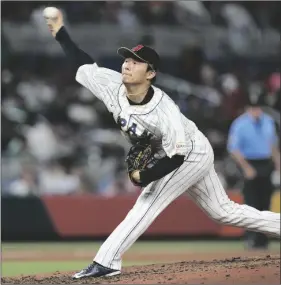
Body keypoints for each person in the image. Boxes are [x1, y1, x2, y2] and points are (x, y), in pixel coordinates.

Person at [44, 8, 280, 279]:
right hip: (181, 150)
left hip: (189, 153)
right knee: (224, 212)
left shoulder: (163, 109)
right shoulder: (111, 85)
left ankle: (106, 261)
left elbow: (177, 156)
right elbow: (82, 64)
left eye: (136, 62)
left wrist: (145, 175)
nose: (128, 64)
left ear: (151, 73)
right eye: (127, 59)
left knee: (148, 200)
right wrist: (61, 33)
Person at [227, 97, 280, 250]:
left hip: (266, 164)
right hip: (249, 163)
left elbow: (273, 144)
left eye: (258, 108)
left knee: (265, 203)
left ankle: (263, 240)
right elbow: (234, 149)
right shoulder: (240, 124)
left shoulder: (268, 121)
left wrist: (278, 163)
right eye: (253, 108)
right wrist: (246, 168)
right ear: (248, 109)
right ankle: (251, 239)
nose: (256, 111)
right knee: (251, 204)